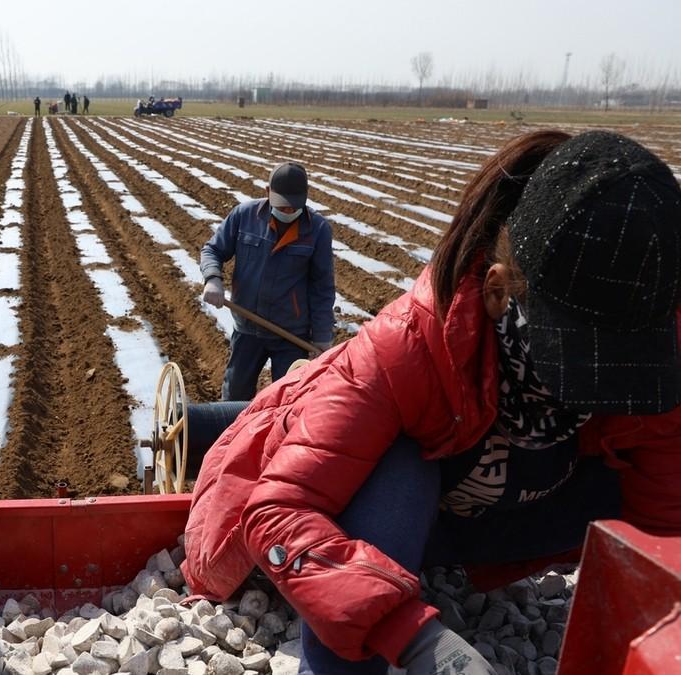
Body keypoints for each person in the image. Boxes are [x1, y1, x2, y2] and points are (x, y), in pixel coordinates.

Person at [182, 130, 681, 675]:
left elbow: (665, 526)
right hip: (416, 506)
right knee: (387, 453)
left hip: (499, 518)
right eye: (573, 363)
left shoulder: (654, 354)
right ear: (497, 292)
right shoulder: (408, 349)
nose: (593, 391)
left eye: (615, 368)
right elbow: (278, 512)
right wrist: (411, 637)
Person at [200, 161, 334, 400]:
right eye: (281, 207)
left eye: (293, 207)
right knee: (234, 397)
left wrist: (322, 336)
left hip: (290, 334)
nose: (287, 212)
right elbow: (212, 250)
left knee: (287, 402)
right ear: (267, 192)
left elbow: (322, 286)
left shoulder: (318, 229)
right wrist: (213, 279)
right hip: (247, 329)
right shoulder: (244, 216)